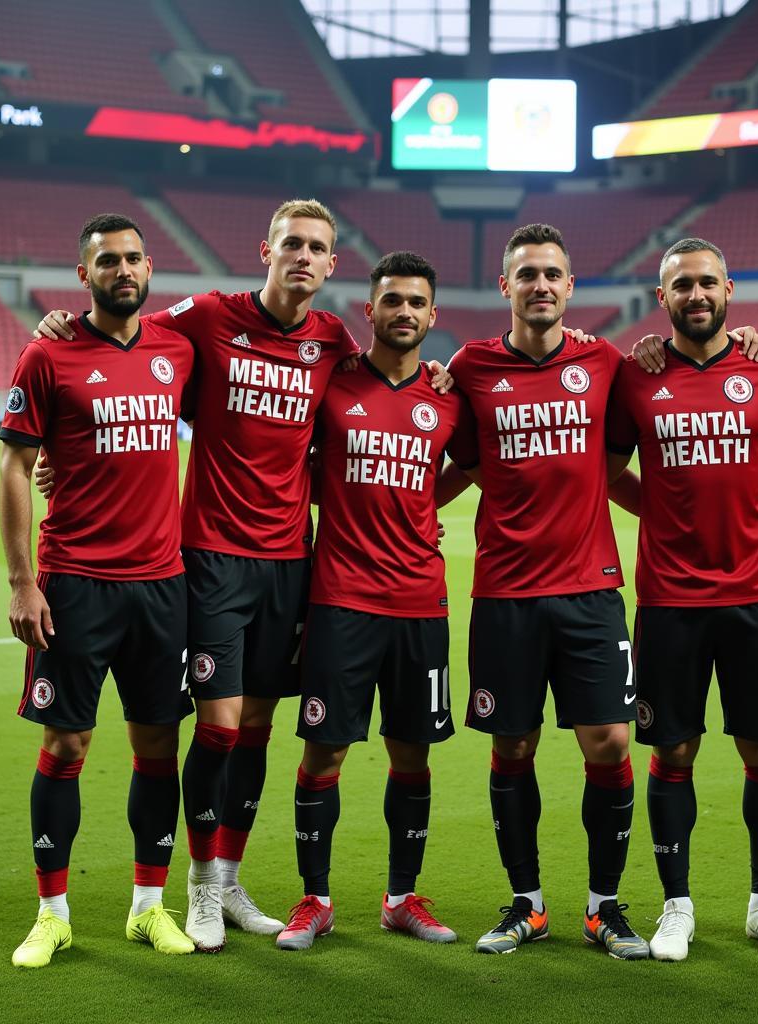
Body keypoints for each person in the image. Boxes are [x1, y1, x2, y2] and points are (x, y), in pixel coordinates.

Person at [34, 199, 359, 951]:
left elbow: (378, 394)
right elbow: (121, 346)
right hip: (208, 556)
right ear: (266, 250)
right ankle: (199, 888)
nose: (302, 257)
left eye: (316, 247)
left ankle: (230, 882)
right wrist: (59, 326)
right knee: (214, 726)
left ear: (331, 264)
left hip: (291, 562)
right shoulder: (208, 316)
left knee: (256, 727)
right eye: (290, 245)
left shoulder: (332, 339)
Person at [445, 224, 649, 960]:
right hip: (504, 593)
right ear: (506, 286)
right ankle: (527, 902)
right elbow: (454, 468)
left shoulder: (607, 362)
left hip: (590, 590)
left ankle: (603, 906)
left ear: (571, 287)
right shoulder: (468, 367)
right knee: (514, 742)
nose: (540, 284)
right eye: (526, 273)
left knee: (610, 741)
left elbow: (622, 462)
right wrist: (395, 519)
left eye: (552, 274)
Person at [1, 214, 196, 967]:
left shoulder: (177, 350)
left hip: (161, 585)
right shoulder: (48, 353)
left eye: (134, 259)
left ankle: (149, 907)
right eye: (108, 260)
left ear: (150, 268)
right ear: (84, 275)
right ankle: (52, 913)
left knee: (157, 744)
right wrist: (24, 582)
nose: (123, 270)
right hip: (76, 582)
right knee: (67, 741)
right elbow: (18, 466)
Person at [605, 238, 758, 960]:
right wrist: (655, 508)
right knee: (674, 748)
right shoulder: (636, 376)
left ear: (730, 289)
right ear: (663, 299)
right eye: (682, 285)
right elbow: (605, 471)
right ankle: (677, 907)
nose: (696, 295)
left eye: (707, 283)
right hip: (669, 599)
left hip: (755, 595)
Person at [276, 251, 467, 950]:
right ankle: (315, 899)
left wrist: (421, 503)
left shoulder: (448, 395)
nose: (405, 313)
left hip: (421, 603)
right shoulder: (332, 382)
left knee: (412, 756)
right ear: (371, 310)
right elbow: (291, 462)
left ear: (432, 315)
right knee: (324, 755)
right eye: (393, 301)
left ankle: (400, 898)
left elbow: (470, 465)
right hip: (342, 599)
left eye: (417, 302)